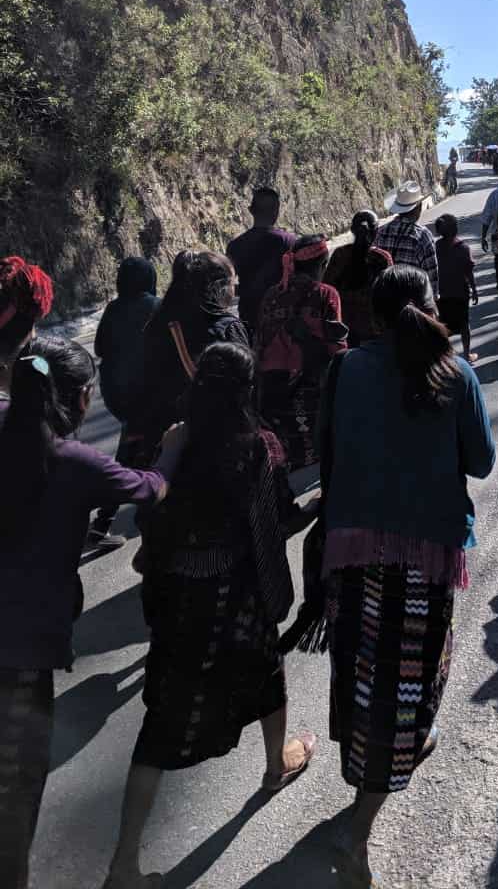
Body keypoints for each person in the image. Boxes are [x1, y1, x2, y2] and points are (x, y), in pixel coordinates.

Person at [285, 266, 495, 888]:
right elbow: (481, 461)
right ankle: (359, 828)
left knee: (361, 668)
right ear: (430, 309)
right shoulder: (455, 374)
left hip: (352, 547)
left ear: (375, 317)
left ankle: (370, 768)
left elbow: (326, 451)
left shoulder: (347, 369)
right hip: (426, 554)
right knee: (410, 677)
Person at [104, 343, 315, 888]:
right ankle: (274, 768)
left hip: (180, 598)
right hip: (237, 595)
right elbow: (272, 526)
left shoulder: (175, 439)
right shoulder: (259, 447)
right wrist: (281, 594)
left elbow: (148, 511)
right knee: (268, 675)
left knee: (160, 722)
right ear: (246, 391)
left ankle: (124, 862)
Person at [0, 336, 182, 889]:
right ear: (80, 398)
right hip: (22, 657)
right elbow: (152, 491)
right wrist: (172, 447)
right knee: (13, 802)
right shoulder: (75, 462)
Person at [132, 250, 249, 467]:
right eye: (234, 281)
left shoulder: (157, 325)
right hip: (217, 440)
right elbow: (246, 385)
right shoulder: (226, 328)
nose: (235, 288)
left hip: (167, 440)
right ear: (220, 287)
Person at [88, 258, 161, 550]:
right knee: (143, 454)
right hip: (149, 395)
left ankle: (103, 522)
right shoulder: (156, 306)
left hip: (118, 396)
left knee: (130, 450)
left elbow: (99, 348)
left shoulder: (113, 308)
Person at [257, 235, 349, 469]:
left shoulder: (271, 296)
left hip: (274, 388)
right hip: (311, 386)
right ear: (322, 265)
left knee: (288, 455)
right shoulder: (326, 294)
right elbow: (336, 348)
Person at [227, 188, 296, 333]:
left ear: (251, 210)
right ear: (277, 211)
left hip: (249, 316)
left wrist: (248, 289)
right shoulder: (288, 242)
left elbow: (229, 287)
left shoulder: (235, 245)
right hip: (282, 318)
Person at [325, 211, 393, 347]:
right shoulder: (382, 258)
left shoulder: (339, 254)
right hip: (374, 330)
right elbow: (390, 296)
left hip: (344, 329)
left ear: (352, 230)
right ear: (376, 231)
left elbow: (328, 289)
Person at [0, 257, 54, 399]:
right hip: (33, 349)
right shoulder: (29, 300)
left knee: (19, 400)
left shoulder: (9, 299)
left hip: (9, 358)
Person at [375, 181, 440, 297]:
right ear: (418, 207)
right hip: (412, 301)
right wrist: (434, 300)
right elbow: (431, 275)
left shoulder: (380, 232)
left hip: (385, 300)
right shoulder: (422, 236)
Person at [435, 214, 479, 363]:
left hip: (441, 293)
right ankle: (467, 354)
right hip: (460, 293)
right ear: (456, 229)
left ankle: (445, 357)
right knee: (464, 324)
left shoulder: (436, 247)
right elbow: (469, 271)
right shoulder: (463, 248)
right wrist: (474, 289)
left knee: (443, 324)